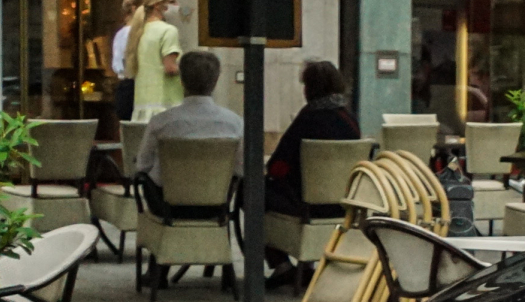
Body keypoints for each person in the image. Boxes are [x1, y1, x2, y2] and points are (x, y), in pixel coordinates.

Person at [134, 49, 242, 217]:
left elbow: (143, 165)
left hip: (167, 208)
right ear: (216, 80)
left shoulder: (161, 122)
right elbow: (240, 168)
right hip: (215, 207)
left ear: (182, 80)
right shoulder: (235, 123)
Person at [263, 59, 362, 221]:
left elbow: (277, 167)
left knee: (252, 190)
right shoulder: (350, 120)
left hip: (304, 206)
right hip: (344, 205)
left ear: (310, 89)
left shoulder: (306, 119)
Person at [132, 0, 185, 112]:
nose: (177, 6)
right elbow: (170, 67)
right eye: (172, 2)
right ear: (157, 5)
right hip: (166, 102)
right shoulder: (168, 31)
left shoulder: (139, 31)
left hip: (142, 103)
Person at [110, 0, 142, 122]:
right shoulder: (134, 33)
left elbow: (117, 65)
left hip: (125, 86)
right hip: (135, 86)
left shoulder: (120, 34)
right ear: (135, 9)